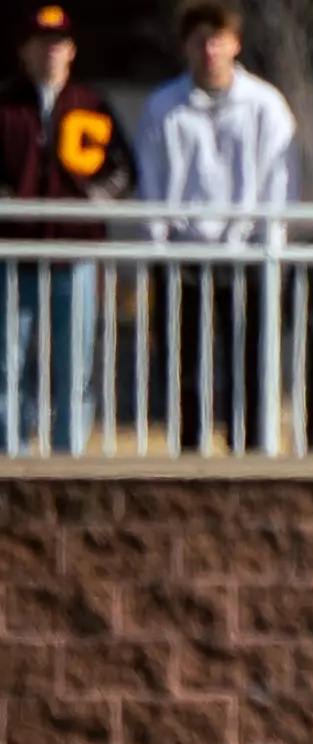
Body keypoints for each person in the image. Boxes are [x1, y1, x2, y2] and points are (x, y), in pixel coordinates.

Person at [136, 0, 297, 455]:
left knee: (252, 362)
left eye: (218, 40)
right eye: (199, 41)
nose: (209, 50)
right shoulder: (163, 107)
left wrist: (270, 246)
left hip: (248, 255)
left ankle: (252, 453)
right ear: (186, 47)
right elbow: (151, 182)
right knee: (184, 364)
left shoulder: (265, 105)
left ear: (235, 44)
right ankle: (189, 454)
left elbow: (281, 182)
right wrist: (159, 247)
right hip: (182, 257)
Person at [0, 4, 135, 455]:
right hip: (13, 253)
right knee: (7, 363)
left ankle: (68, 457)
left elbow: (122, 170)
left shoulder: (91, 104)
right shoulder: (7, 106)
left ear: (72, 50)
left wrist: (91, 202)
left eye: (58, 44)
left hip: (75, 253)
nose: (50, 52)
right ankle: (10, 456)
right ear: (25, 50)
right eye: (42, 44)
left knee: (75, 364)